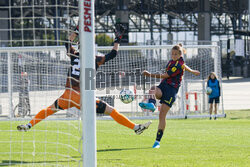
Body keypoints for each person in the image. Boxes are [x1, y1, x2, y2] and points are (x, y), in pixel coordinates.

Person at [17, 24, 151, 135]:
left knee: (49, 110)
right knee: (111, 110)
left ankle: (29, 125)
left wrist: (76, 31)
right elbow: (113, 54)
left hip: (68, 95)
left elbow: (67, 43)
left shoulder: (74, 55)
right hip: (84, 98)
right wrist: (117, 39)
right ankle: (135, 128)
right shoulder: (95, 60)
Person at [139, 44, 200, 148]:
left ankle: (157, 142)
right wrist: (192, 71)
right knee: (153, 89)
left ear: (180, 55)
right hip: (164, 86)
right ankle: (152, 104)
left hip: (171, 91)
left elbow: (166, 75)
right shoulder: (175, 62)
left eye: (175, 54)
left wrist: (149, 74)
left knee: (162, 116)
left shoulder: (177, 64)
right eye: (172, 54)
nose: (173, 55)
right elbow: (184, 66)